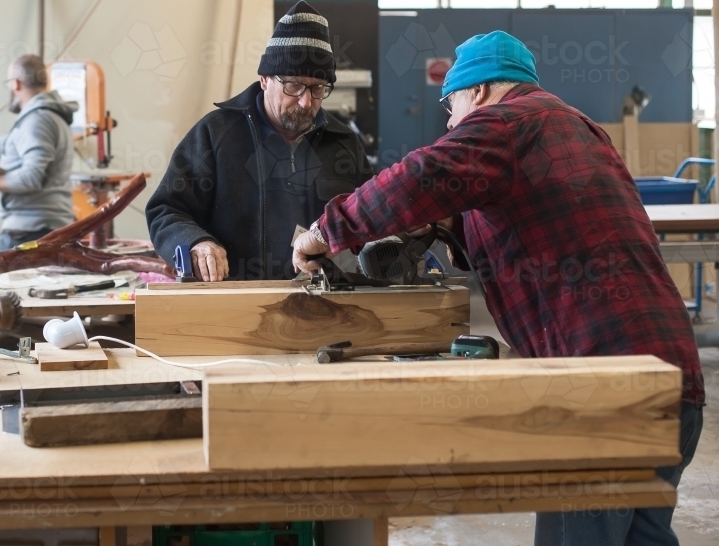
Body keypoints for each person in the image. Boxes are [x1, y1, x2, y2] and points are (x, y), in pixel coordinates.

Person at [292, 30, 704, 546]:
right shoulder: (576, 128)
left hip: (601, 390)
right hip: (671, 381)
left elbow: (422, 174)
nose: (448, 120)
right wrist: (440, 228)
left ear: (480, 92)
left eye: (451, 102)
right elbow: (519, 222)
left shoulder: (507, 122)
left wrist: (326, 231)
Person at [146, 1, 373, 281]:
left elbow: (372, 211)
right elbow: (166, 210)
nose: (305, 101)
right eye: (293, 85)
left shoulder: (344, 143)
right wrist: (196, 242)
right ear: (265, 79)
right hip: (233, 303)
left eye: (317, 89)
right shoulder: (216, 133)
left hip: (323, 303)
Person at [0, 54, 78, 252]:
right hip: (41, 228)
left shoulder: (37, 120)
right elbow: (9, 144)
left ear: (16, 84)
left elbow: (31, 177)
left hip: (32, 232)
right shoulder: (47, 116)